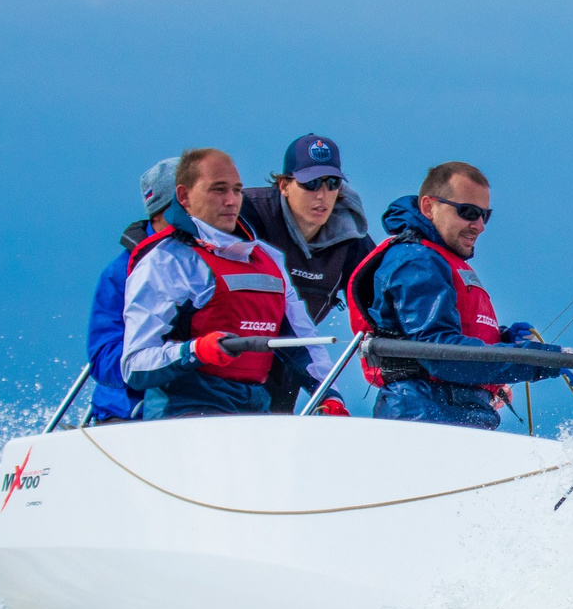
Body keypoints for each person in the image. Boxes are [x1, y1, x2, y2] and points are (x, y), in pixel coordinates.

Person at [344, 161, 573, 428]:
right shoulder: (416, 262)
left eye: (484, 216)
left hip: (457, 411)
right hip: (425, 413)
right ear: (429, 207)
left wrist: (499, 337)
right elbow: (440, 353)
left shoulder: (436, 259)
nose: (479, 225)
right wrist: (541, 360)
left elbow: (445, 332)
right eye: (468, 212)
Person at [123, 147, 338, 419]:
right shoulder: (166, 261)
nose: (231, 201)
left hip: (255, 409)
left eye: (237, 190)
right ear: (184, 196)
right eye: (218, 190)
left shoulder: (268, 258)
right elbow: (135, 364)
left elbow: (302, 340)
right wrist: (196, 350)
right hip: (185, 411)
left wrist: (329, 395)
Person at [241, 134, 376, 414]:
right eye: (310, 183)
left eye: (332, 184)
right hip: (234, 352)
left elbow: (382, 303)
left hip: (292, 359)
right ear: (284, 185)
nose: (321, 194)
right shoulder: (249, 213)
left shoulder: (351, 238)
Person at [84, 157, 176, 423]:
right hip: (129, 415)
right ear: (161, 212)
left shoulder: (223, 257)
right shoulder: (120, 273)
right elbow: (103, 360)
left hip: (210, 408)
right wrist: (181, 355)